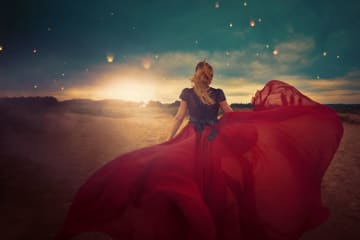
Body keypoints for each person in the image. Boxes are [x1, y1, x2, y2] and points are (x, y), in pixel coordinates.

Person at [56, 61, 343, 240]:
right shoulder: (217, 94)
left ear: (196, 76)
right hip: (214, 138)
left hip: (192, 137)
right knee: (215, 180)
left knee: (176, 174)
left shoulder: (187, 92)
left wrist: (168, 141)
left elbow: (179, 118)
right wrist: (254, 116)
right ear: (209, 76)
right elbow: (229, 114)